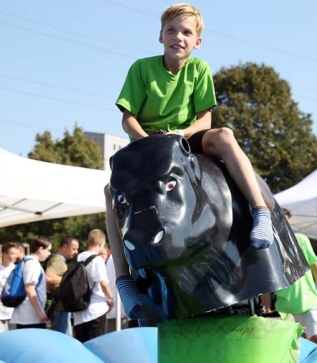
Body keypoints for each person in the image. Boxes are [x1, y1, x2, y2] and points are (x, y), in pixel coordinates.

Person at [109, 3, 274, 320]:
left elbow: (206, 118)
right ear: (160, 36)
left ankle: (260, 211)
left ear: (197, 42)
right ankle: (123, 278)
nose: (178, 37)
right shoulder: (141, 69)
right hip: (147, 147)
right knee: (109, 191)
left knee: (224, 135)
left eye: (186, 32)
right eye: (171, 30)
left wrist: (179, 135)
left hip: (184, 140)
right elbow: (127, 118)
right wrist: (148, 141)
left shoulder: (199, 70)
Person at [273, 226, 317, 344]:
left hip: (310, 304)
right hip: (284, 310)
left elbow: (315, 267)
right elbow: (267, 279)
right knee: (288, 349)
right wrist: (267, 308)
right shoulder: (268, 246)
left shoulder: (301, 239)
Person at [73, 229, 115, 343]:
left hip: (79, 312)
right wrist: (110, 298)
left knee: (82, 344)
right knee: (97, 345)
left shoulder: (77, 258)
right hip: (95, 310)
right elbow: (103, 283)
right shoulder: (97, 260)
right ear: (101, 243)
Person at [10, 236, 51, 330]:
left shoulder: (25, 262)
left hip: (26, 316)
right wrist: (40, 313)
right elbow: (29, 288)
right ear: (40, 249)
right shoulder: (33, 264)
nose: (49, 254)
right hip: (30, 317)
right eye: (48, 250)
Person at [45, 237, 80, 335]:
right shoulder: (57, 261)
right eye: (73, 249)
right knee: (64, 336)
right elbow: (48, 277)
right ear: (65, 247)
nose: (76, 252)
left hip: (62, 307)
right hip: (60, 307)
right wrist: (69, 281)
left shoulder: (60, 261)